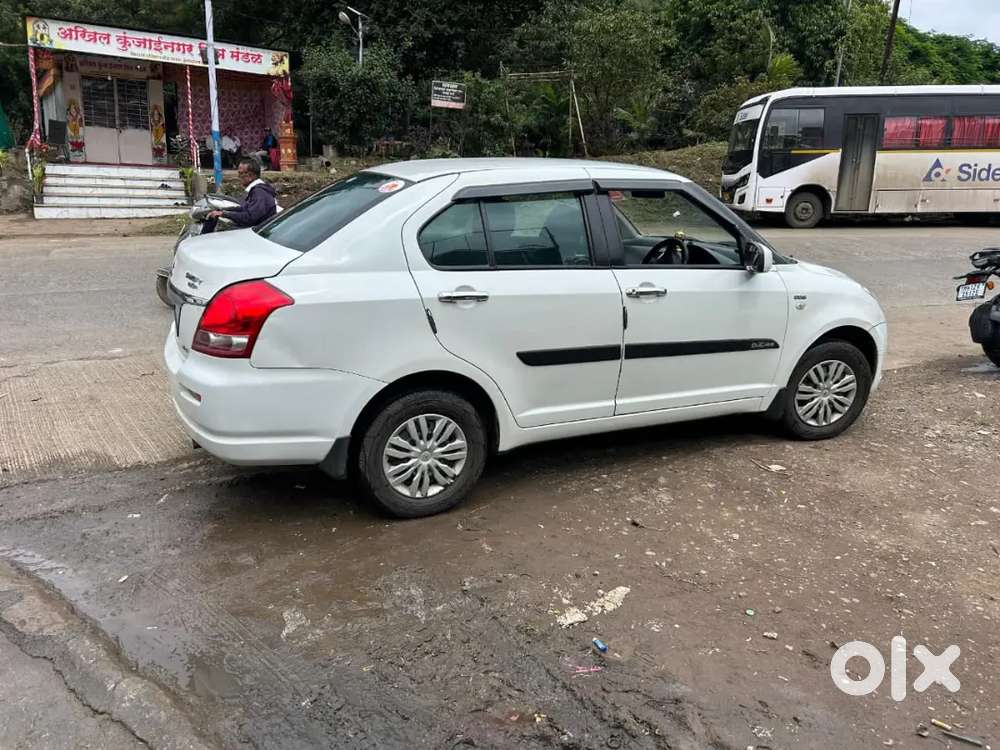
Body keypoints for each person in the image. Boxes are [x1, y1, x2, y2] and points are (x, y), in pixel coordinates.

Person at [205, 157, 277, 232]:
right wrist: (224, 211)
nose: (238, 176)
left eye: (240, 173)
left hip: (258, 232)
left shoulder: (259, 193)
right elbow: (244, 208)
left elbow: (250, 217)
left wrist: (225, 214)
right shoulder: (256, 190)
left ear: (250, 176)